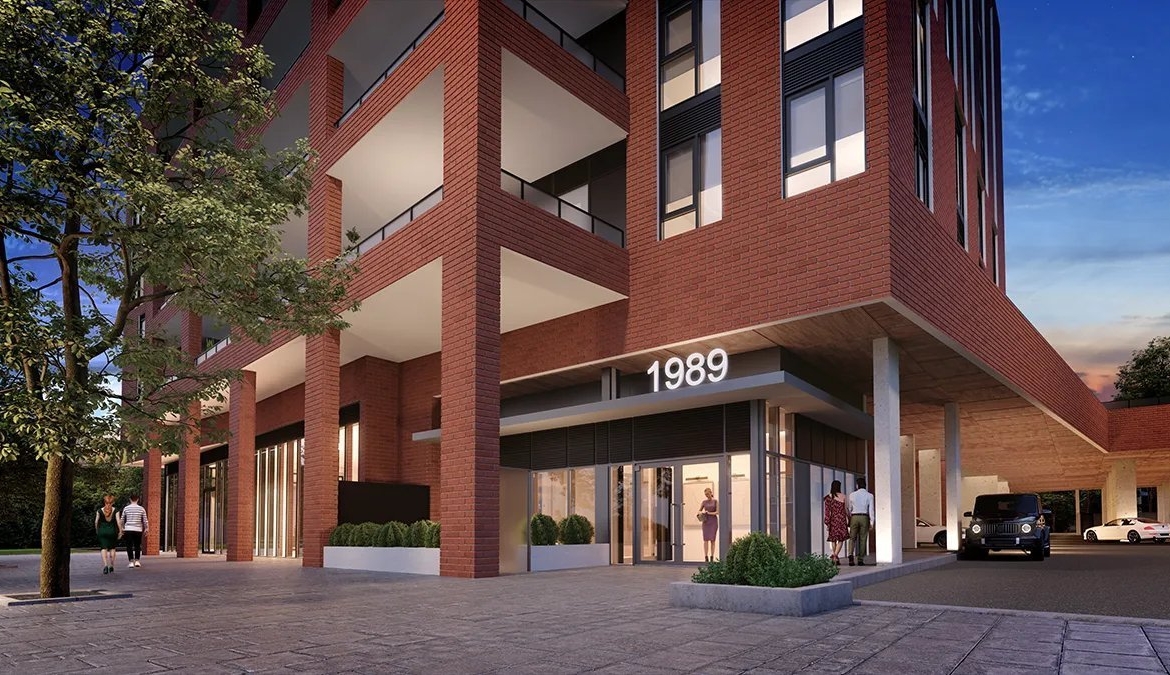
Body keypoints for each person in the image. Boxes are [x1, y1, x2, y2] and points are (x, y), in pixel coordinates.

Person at [847, 476, 875, 566]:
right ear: (865, 485)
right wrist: (872, 522)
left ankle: (850, 555)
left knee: (852, 538)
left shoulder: (852, 495)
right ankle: (860, 559)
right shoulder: (870, 495)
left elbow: (850, 508)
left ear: (857, 485)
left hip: (854, 517)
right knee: (863, 538)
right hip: (864, 517)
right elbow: (871, 509)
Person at [822, 480, 849, 566]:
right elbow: (846, 510)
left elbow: (827, 512)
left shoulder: (828, 497)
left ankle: (834, 557)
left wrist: (827, 522)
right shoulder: (844, 496)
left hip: (833, 520)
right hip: (841, 520)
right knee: (841, 539)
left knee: (833, 539)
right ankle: (835, 556)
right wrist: (849, 518)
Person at [94, 494, 122, 574]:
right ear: (113, 502)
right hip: (112, 531)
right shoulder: (116, 510)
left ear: (104, 502)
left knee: (104, 548)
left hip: (102, 531)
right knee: (112, 548)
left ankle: (105, 565)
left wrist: (97, 530)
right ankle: (111, 566)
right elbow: (118, 521)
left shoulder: (99, 511)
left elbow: (96, 522)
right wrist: (120, 531)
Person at [120, 493, 148, 568]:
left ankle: (131, 562)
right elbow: (145, 520)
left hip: (128, 529)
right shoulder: (141, 509)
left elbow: (122, 519)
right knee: (137, 545)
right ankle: (137, 561)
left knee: (129, 546)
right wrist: (146, 528)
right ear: (138, 499)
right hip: (138, 529)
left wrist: (122, 528)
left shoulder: (126, 508)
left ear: (130, 499)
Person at [698, 487, 719, 562]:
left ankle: (712, 556)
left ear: (711, 493)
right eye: (705, 494)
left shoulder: (715, 501)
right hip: (706, 522)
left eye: (708, 494)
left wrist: (709, 513)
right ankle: (706, 556)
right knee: (705, 539)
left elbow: (717, 512)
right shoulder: (704, 502)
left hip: (713, 521)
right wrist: (701, 513)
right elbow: (699, 511)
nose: (707, 495)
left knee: (713, 540)